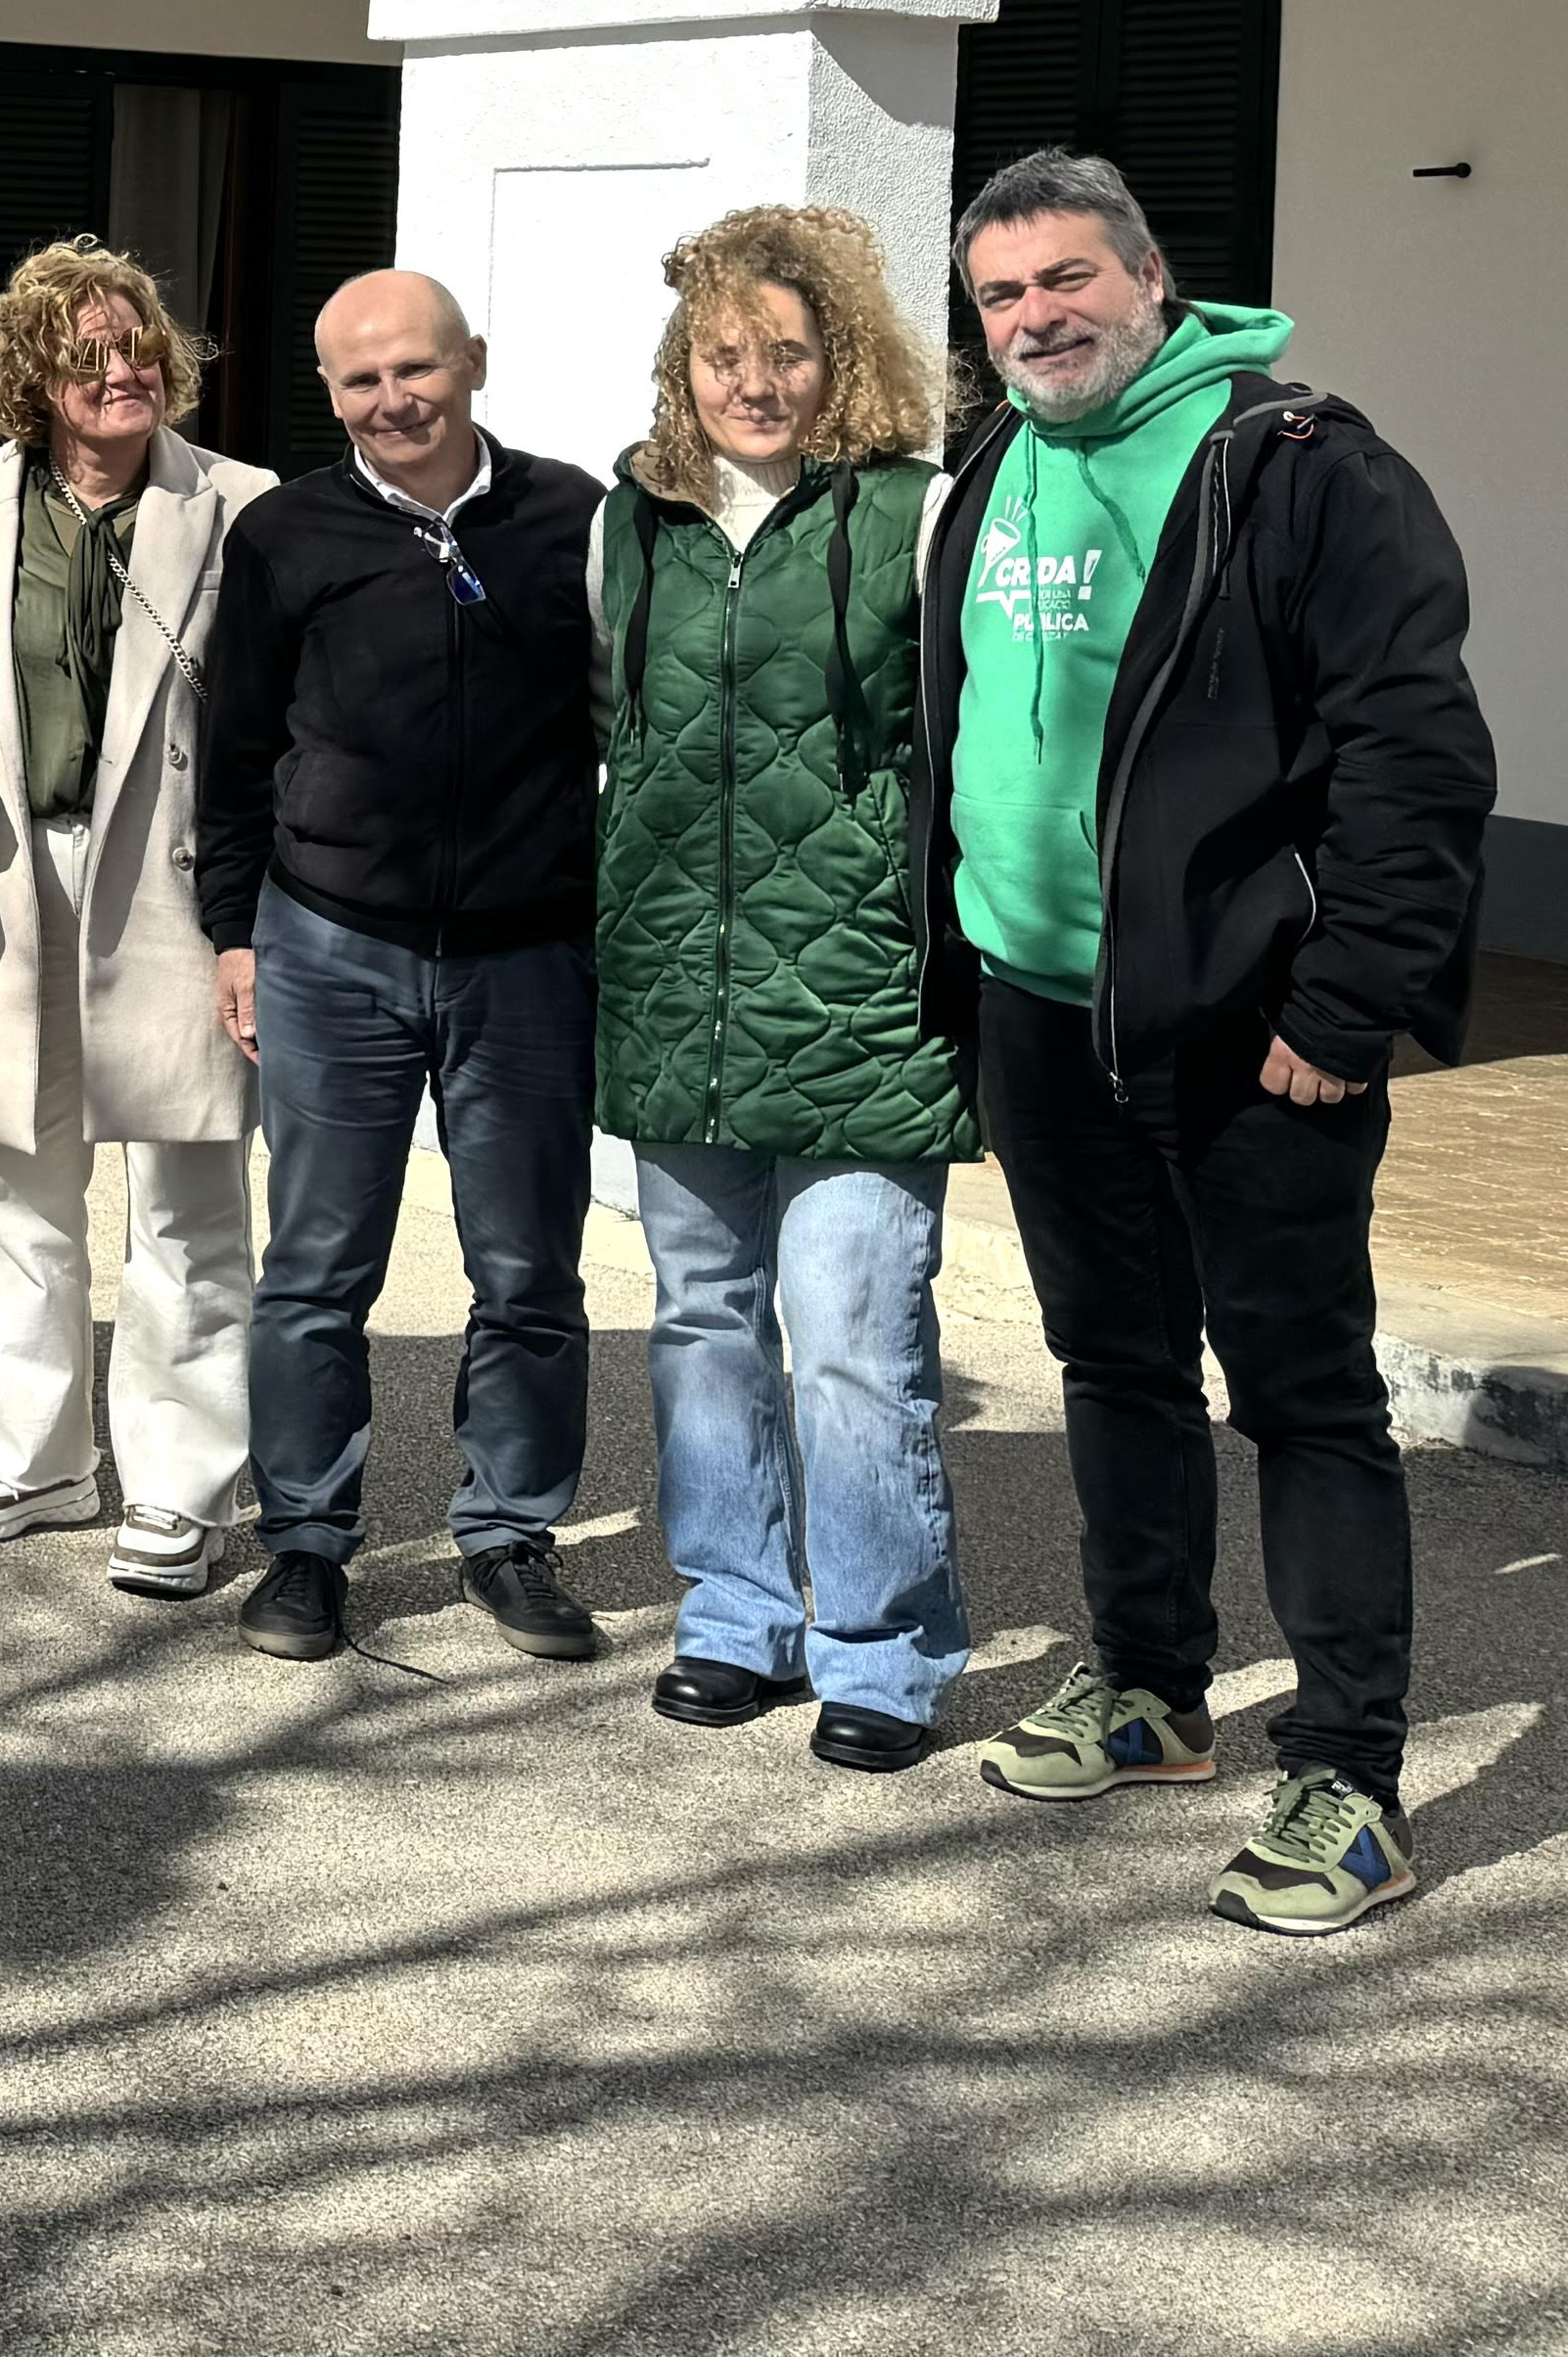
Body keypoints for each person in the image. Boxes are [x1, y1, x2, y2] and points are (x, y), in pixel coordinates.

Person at [930, 150, 1490, 1936]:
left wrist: (1347, 1011)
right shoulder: (991, 469)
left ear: (1156, 281)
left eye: (1070, 279)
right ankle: (1152, 1687)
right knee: (1113, 1364)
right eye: (1004, 295)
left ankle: (1350, 1775)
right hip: (1039, 1006)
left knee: (1305, 1394)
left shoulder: (1298, 465)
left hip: (1253, 1033)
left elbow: (1420, 757)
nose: (1038, 318)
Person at [592, 205, 969, 1775]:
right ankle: (736, 1614)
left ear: (845, 361)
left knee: (859, 1332)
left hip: (867, 989)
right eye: (723, 352)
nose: (753, 381)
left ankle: (882, 1647)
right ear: (685, 364)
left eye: (786, 353)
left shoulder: (921, 512)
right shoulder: (633, 522)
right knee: (702, 1324)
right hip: (679, 987)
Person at [203, 269, 608, 1670]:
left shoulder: (575, 521)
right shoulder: (283, 535)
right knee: (316, 1271)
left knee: (529, 1272)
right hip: (330, 945)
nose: (393, 401)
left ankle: (511, 1536)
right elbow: (238, 748)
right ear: (329, 393)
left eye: (415, 370)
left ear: (474, 362)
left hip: (530, 957)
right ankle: (306, 1547)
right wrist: (234, 932)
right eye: (361, 380)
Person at [0, 240, 272, 1602]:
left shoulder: (242, 505)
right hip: (15, 865)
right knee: (23, 1171)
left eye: (137, 348)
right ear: (35, 378)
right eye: (87, 354)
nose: (122, 373)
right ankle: (40, 1451)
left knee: (186, 1185)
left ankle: (180, 1482)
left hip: (178, 878)